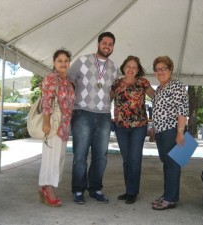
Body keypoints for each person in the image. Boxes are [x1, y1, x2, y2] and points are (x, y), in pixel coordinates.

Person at [68, 32, 119, 204]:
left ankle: (95, 189)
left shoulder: (114, 68)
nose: (107, 46)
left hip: (104, 115)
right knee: (80, 155)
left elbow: (113, 91)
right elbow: (68, 79)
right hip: (82, 112)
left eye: (110, 44)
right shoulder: (82, 60)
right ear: (98, 44)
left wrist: (106, 101)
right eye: (104, 42)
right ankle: (78, 190)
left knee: (101, 156)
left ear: (113, 47)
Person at [110, 55, 155, 204]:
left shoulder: (143, 82)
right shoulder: (116, 84)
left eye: (134, 67)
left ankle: (132, 192)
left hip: (139, 126)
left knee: (135, 159)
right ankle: (128, 189)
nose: (131, 69)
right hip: (120, 126)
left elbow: (156, 97)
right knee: (126, 160)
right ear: (123, 68)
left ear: (138, 70)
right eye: (128, 66)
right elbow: (105, 101)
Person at [150, 56, 189, 210]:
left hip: (172, 130)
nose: (160, 72)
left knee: (173, 164)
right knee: (166, 163)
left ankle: (171, 199)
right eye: (157, 70)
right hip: (160, 131)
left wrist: (180, 132)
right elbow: (158, 111)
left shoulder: (176, 86)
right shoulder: (160, 88)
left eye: (163, 69)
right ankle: (167, 194)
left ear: (170, 69)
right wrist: (154, 127)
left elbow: (182, 111)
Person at [38, 49, 75, 207]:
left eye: (66, 60)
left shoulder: (68, 80)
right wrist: (46, 122)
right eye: (59, 60)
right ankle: (47, 187)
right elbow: (47, 100)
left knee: (59, 157)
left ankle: (45, 187)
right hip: (53, 123)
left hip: (64, 125)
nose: (63, 63)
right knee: (50, 157)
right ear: (54, 63)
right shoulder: (51, 78)